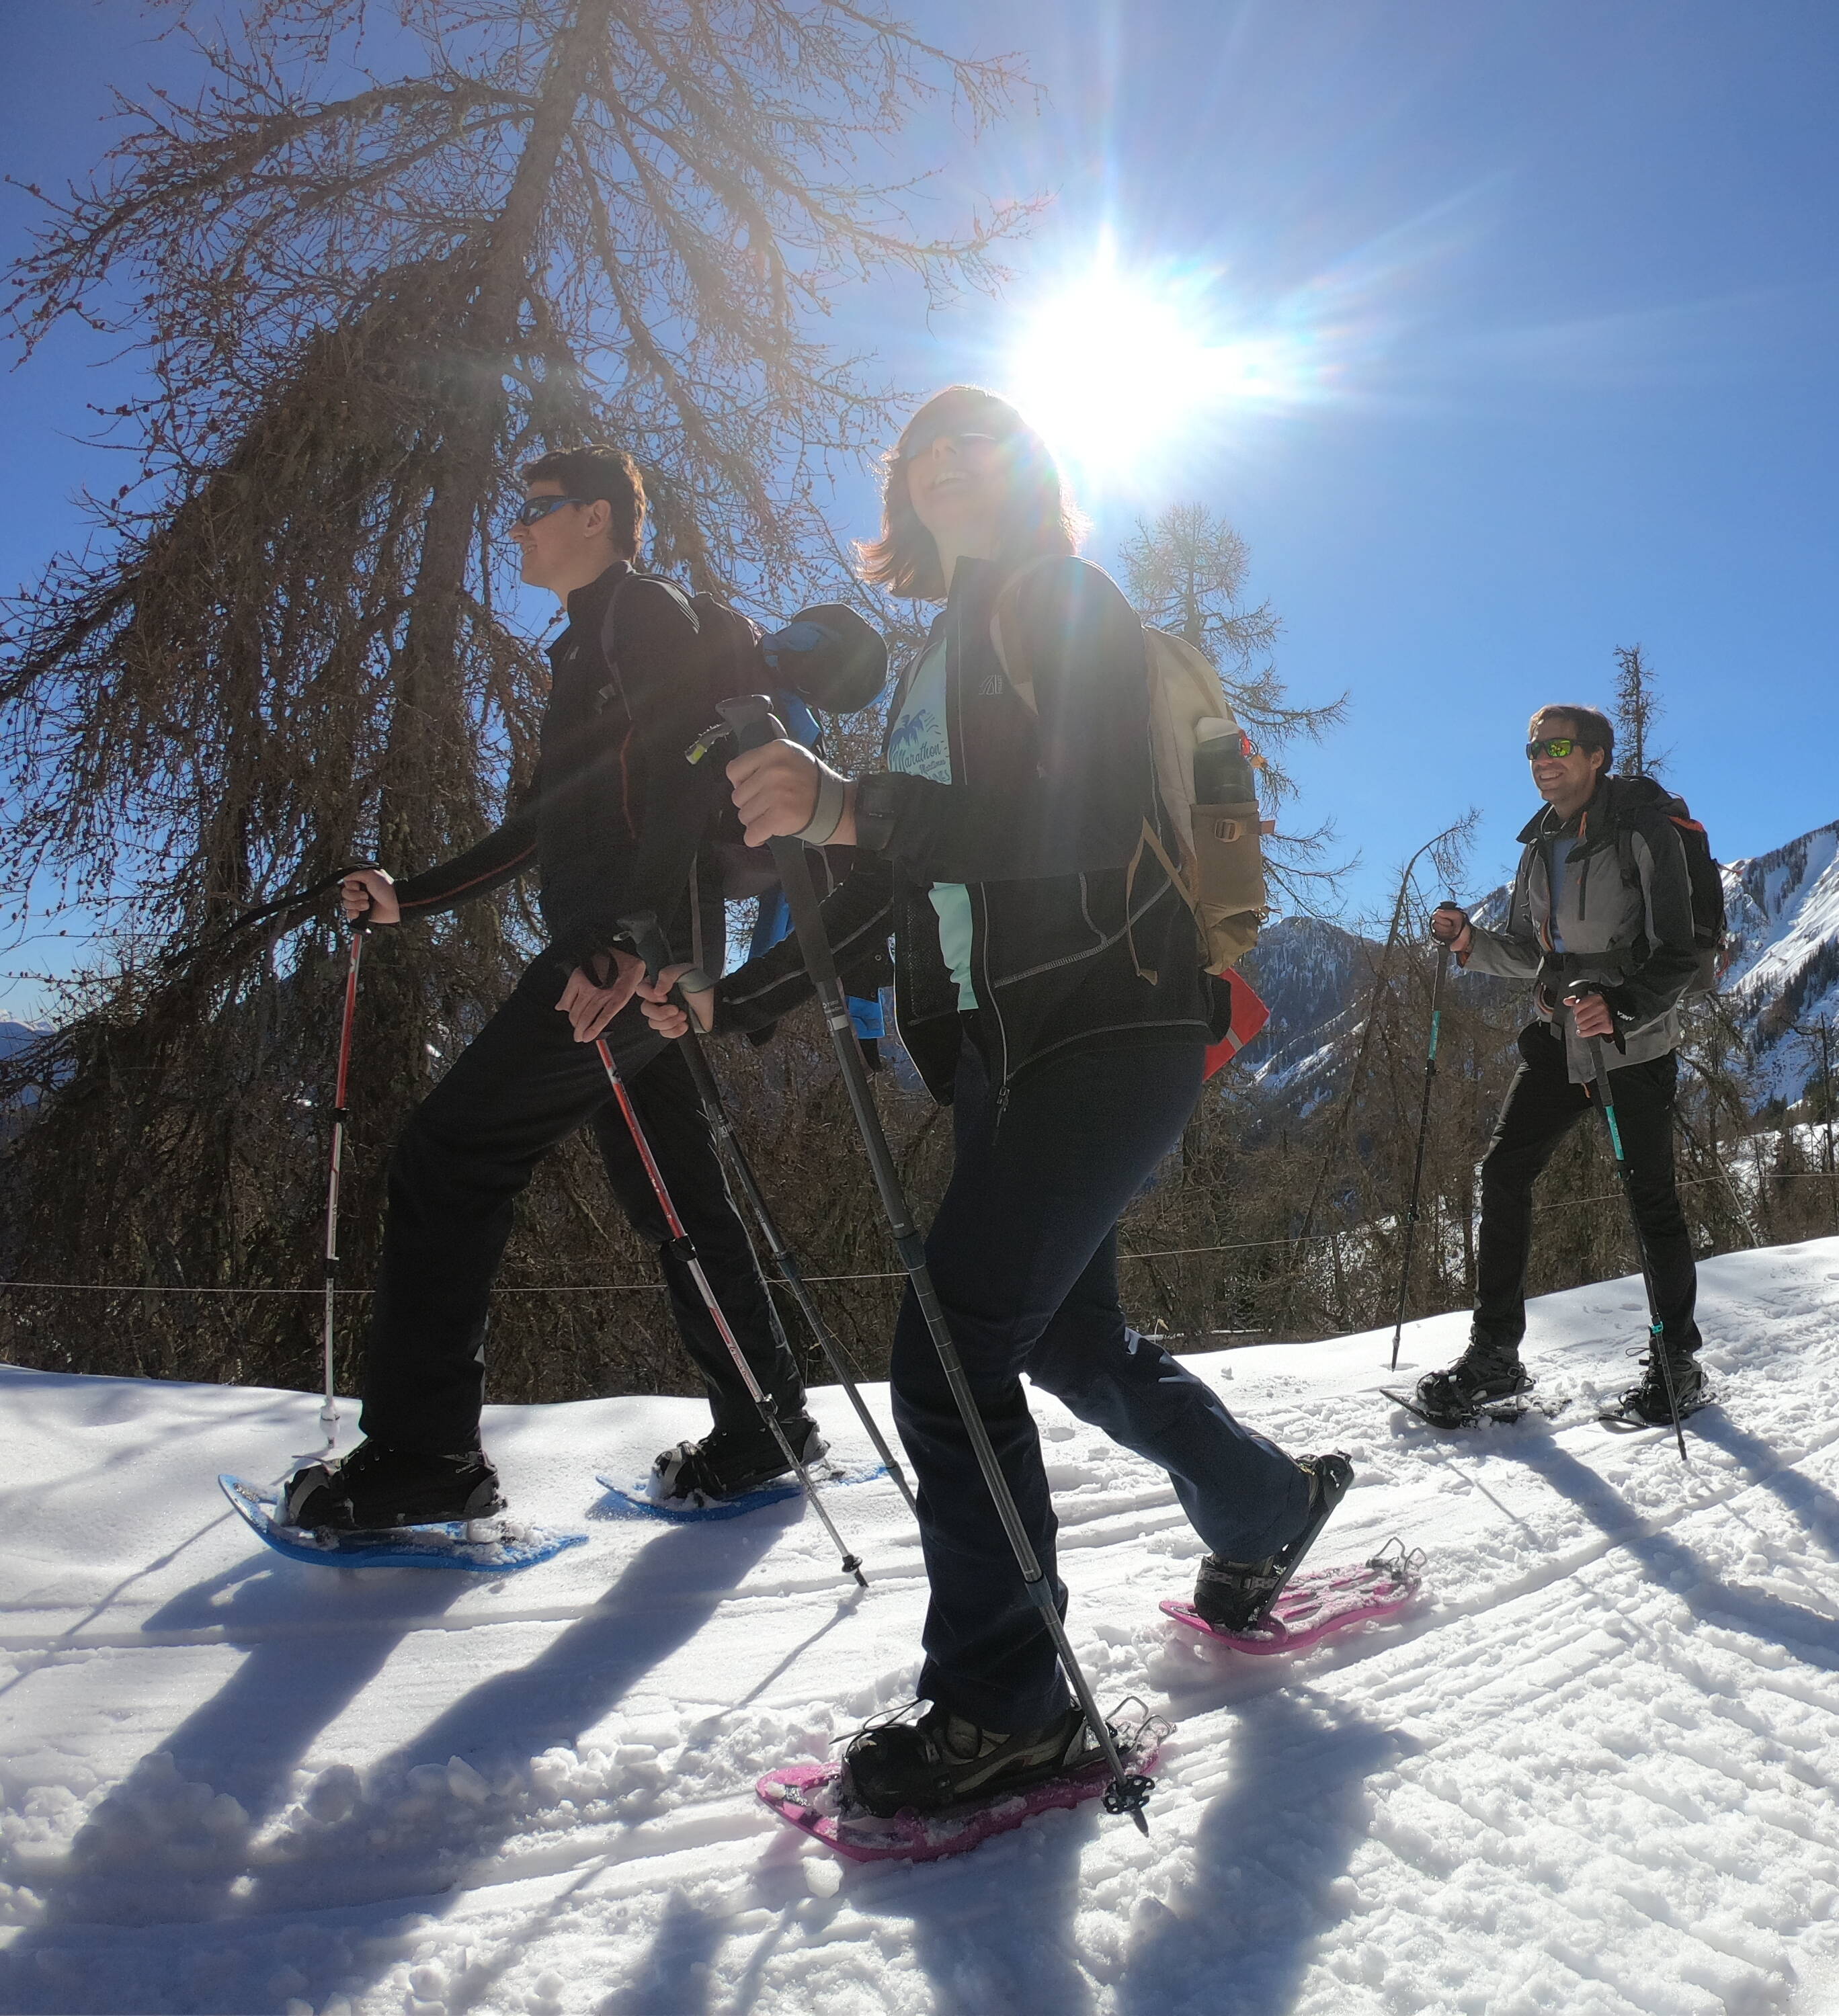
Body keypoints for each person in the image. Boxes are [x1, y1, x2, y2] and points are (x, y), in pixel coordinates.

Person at [643, 384, 1348, 1816]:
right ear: (900, 493)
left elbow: (1078, 823)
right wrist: (740, 999)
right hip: (1001, 1053)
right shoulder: (925, 665)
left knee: (951, 1350)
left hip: (1113, 1021)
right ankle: (1267, 1505)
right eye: (924, 448)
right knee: (1071, 1342)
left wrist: (848, 806)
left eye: (982, 441)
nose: (951, 460)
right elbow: (901, 880)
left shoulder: (1062, 600)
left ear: (1029, 476)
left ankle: (1008, 1707)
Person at [282, 447, 813, 1531]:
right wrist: (409, 898)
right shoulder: (587, 647)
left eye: (538, 509)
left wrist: (625, 939)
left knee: (451, 1152)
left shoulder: (644, 615)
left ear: (603, 518)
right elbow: (542, 826)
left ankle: (427, 1455)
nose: (516, 526)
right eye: (517, 510)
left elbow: (687, 774)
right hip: (631, 958)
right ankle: (765, 1423)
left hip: (613, 962)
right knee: (673, 1190)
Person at [1415, 704, 1709, 1427]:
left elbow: (1681, 948)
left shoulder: (1641, 827)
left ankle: (1677, 1364)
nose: (1541, 759)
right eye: (1531, 750)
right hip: (1557, 1038)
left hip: (1629, 1047)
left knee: (1650, 1201)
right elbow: (1529, 951)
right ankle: (1495, 1358)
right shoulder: (1538, 844)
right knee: (1503, 1173)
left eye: (1557, 746)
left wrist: (1625, 1007)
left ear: (1597, 756)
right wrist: (1468, 942)